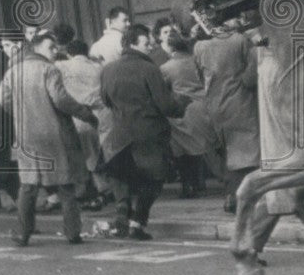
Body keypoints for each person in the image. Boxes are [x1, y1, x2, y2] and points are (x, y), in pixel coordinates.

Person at [0, 31, 98, 246]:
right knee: (65, 184)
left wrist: (21, 113)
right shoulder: (49, 69)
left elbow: (4, 100)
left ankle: (23, 233)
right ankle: (72, 232)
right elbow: (61, 99)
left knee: (28, 185)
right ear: (37, 48)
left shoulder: (12, 71)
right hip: (54, 134)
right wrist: (85, 113)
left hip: (26, 135)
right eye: (51, 47)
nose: (55, 51)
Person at [99, 24, 187, 240]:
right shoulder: (149, 69)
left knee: (124, 174)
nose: (150, 47)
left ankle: (122, 208)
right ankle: (137, 223)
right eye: (146, 43)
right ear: (132, 44)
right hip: (150, 134)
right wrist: (182, 104)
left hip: (120, 133)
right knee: (153, 180)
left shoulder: (108, 70)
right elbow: (166, 106)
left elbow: (105, 100)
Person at [193, 20, 260, 213]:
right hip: (241, 104)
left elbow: (200, 77)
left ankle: (231, 196)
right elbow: (250, 78)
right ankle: (243, 198)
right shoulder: (240, 40)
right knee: (249, 153)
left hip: (215, 105)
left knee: (228, 152)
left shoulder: (199, 46)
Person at [55, 39, 110, 211]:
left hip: (78, 115)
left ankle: (93, 191)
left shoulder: (63, 66)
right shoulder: (98, 67)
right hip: (100, 113)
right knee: (99, 152)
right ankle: (105, 189)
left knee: (84, 155)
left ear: (69, 53)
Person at [160, 31, 215, 199]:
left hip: (182, 110)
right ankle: (201, 181)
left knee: (182, 150)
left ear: (171, 47)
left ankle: (188, 185)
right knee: (206, 146)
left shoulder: (166, 68)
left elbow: (163, 91)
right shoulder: (196, 61)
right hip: (204, 106)